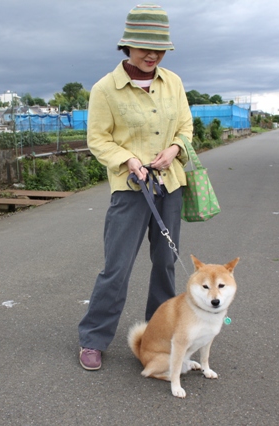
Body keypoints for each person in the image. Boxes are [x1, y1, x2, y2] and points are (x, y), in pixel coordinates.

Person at [78, 3, 193, 371]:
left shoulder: (172, 82)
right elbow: (98, 139)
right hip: (130, 190)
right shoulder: (105, 89)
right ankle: (94, 338)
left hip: (169, 186)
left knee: (165, 264)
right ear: (127, 46)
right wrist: (128, 159)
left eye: (159, 48)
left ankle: (157, 338)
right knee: (117, 267)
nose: (152, 55)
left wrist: (174, 149)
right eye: (144, 46)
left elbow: (186, 130)